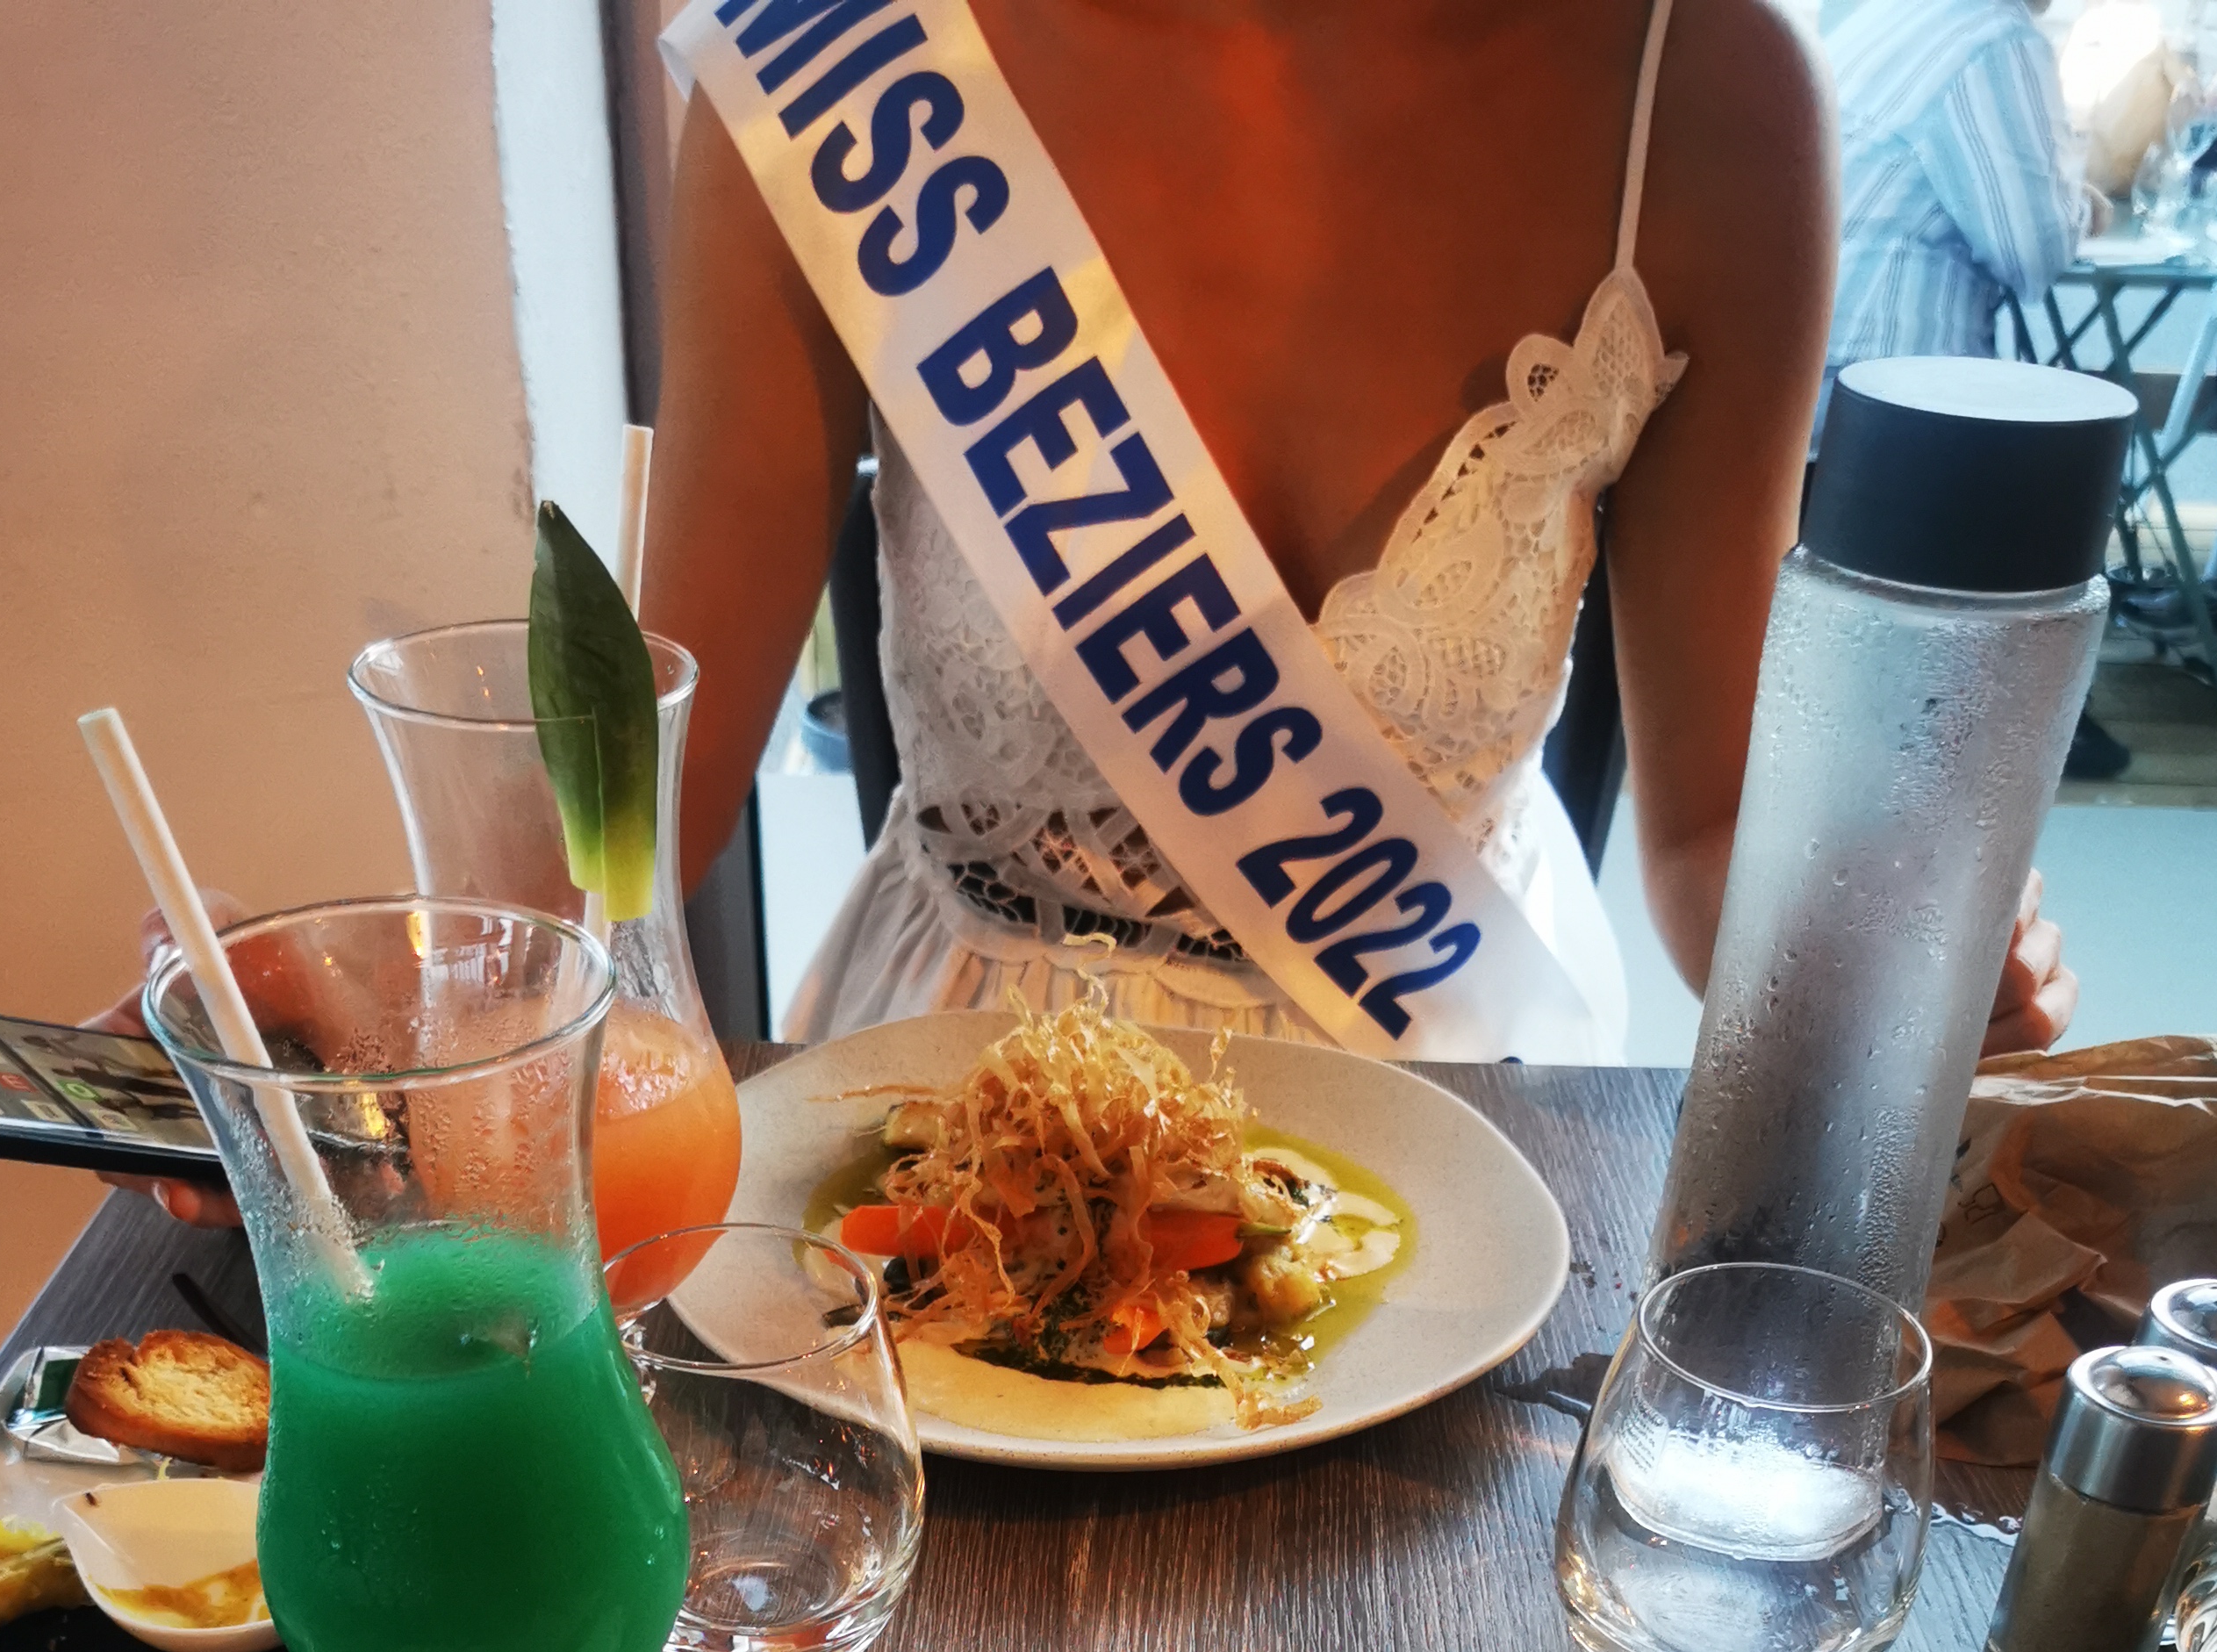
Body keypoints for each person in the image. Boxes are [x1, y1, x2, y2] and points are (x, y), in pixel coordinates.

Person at [646, 0, 2077, 1062]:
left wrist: (1878, 954)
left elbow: (1711, 831)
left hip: (1466, 1131)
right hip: (955, 1116)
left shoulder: (1706, 90)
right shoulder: (846, 65)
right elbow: (645, 797)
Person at [1820, 0, 2126, 775]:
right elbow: (2034, 249)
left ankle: (1965, 710)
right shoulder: (1997, 37)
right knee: (2061, 440)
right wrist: (2083, 205)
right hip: (1887, 381)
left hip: (1812, 360)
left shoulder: (1896, 13)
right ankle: (2000, 717)